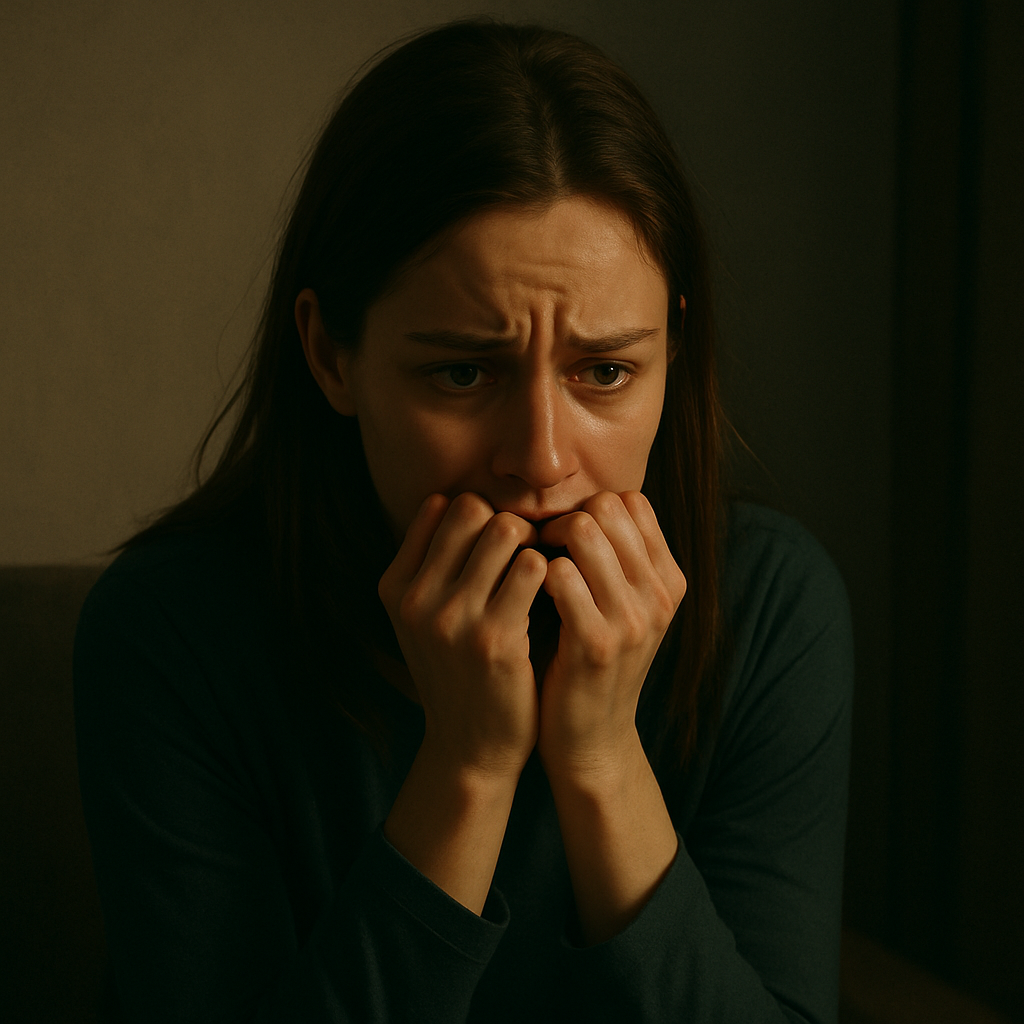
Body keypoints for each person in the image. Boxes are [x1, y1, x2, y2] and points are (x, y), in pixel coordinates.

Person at [73, 16, 853, 1024]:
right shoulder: (170, 631)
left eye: (604, 371)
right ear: (332, 356)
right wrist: (468, 766)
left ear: (672, 349)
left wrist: (602, 760)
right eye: (461, 373)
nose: (541, 458)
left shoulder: (771, 608)